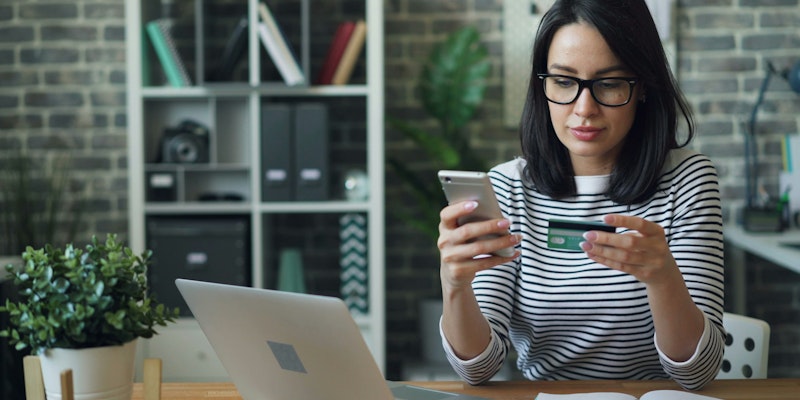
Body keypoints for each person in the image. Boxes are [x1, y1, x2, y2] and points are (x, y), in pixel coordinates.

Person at [436, 0, 724, 391]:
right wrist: (454, 286)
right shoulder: (507, 188)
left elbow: (698, 372)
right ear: (543, 86)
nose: (584, 109)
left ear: (642, 88)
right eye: (564, 82)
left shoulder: (687, 180)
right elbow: (478, 370)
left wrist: (663, 279)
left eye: (608, 83)